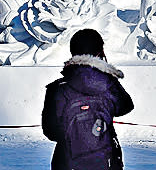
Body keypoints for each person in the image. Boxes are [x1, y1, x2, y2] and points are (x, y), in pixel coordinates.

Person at [42, 29, 134, 170]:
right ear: (99, 53)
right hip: (106, 162)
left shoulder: (57, 89)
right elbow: (126, 107)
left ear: (73, 53)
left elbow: (51, 132)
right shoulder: (109, 84)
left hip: (67, 163)